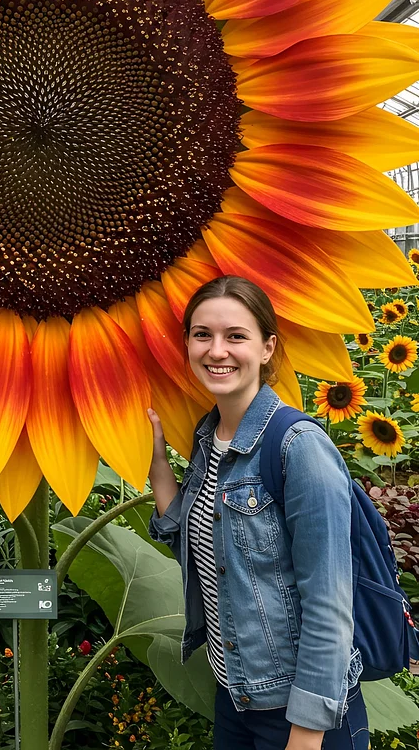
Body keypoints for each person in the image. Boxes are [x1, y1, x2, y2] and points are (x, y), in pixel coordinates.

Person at [148, 275, 369, 750]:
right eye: (202, 334)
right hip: (235, 698)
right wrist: (158, 462)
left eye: (236, 336)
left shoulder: (299, 447)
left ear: (267, 348)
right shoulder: (208, 438)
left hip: (300, 713)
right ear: (187, 343)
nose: (217, 350)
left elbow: (329, 601)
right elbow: (197, 547)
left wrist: (306, 733)